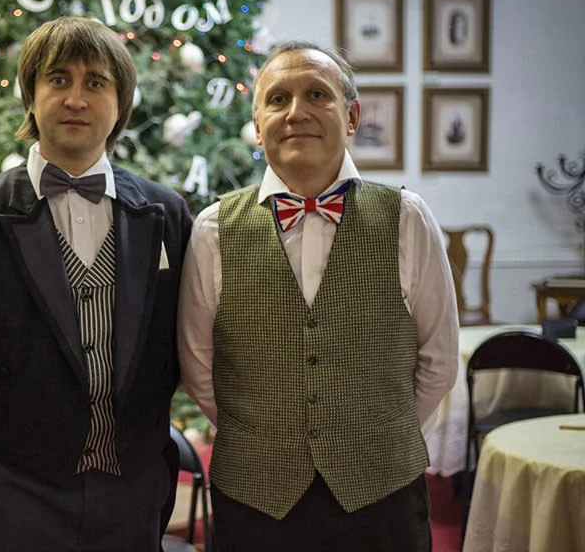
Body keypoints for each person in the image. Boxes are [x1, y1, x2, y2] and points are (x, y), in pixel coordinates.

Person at [0, 16, 192, 552]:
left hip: (133, 491)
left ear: (121, 101)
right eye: (58, 79)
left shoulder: (166, 214)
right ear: (30, 94)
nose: (76, 99)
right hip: (13, 491)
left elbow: (187, 344)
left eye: (96, 82)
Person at [177, 40, 458, 551]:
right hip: (255, 498)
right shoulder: (213, 229)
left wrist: (379, 438)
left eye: (316, 94)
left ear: (351, 117)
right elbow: (199, 367)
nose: (296, 112)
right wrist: (263, 440)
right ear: (257, 124)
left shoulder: (407, 218)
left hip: (384, 497)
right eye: (277, 99)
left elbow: (439, 358)